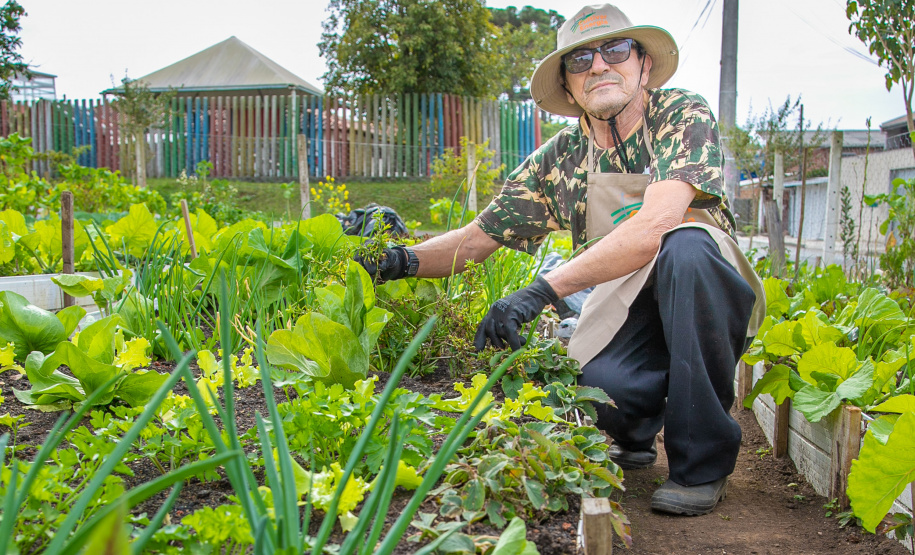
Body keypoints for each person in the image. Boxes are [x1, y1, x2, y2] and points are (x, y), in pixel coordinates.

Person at [357, 3, 765, 516]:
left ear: (642, 64)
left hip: (705, 296)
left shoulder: (681, 115)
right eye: (580, 60)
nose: (599, 65)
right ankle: (633, 431)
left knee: (685, 247)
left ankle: (701, 466)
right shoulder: (558, 160)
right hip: (626, 304)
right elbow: (476, 240)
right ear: (569, 88)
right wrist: (391, 260)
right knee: (595, 392)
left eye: (615, 50)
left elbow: (654, 231)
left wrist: (542, 291)